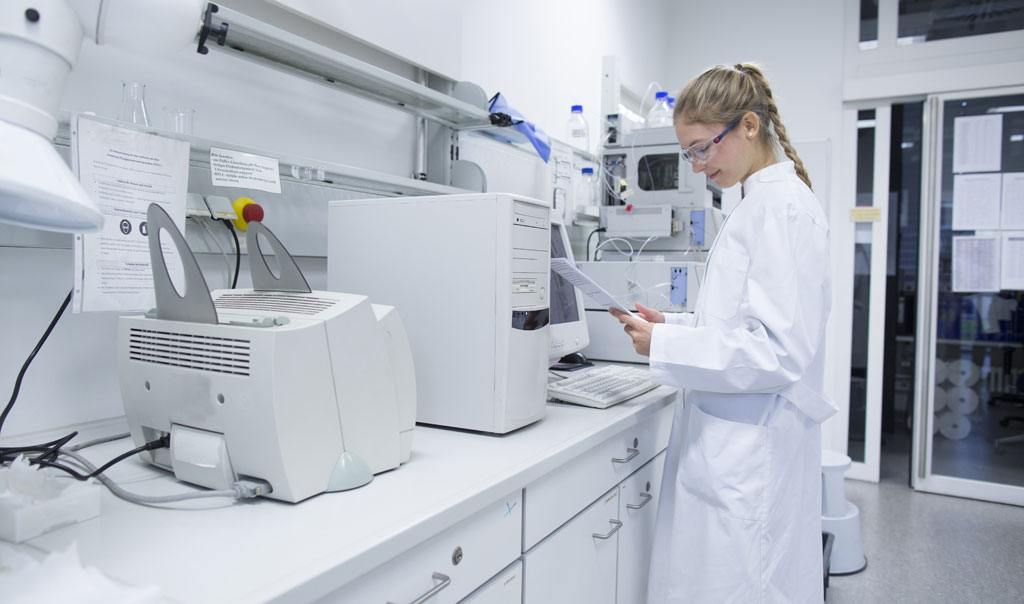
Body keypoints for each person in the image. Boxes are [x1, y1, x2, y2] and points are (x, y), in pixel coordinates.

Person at [610, 63, 838, 603]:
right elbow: (743, 323)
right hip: (732, 443)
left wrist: (665, 345)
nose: (696, 165)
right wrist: (676, 326)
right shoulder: (754, 203)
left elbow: (777, 350)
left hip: (750, 455)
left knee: (741, 584)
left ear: (750, 126)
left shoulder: (781, 209)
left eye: (702, 148)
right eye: (688, 152)